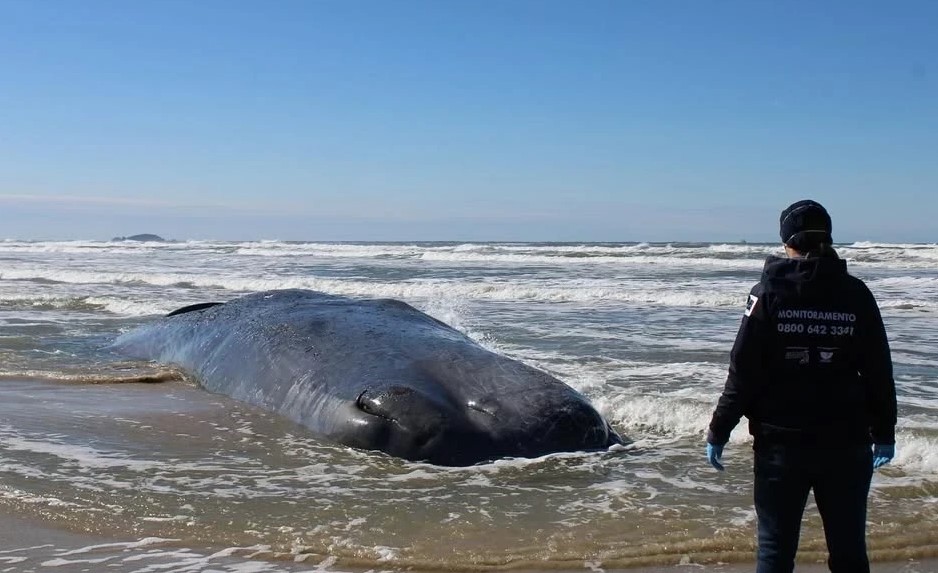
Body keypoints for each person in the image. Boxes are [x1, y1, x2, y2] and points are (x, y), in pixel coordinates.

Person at [705, 200, 897, 573]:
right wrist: (884, 430)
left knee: (776, 552)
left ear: (785, 242)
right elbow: (878, 371)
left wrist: (719, 429)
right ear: (827, 236)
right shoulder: (856, 293)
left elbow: (743, 372)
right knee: (849, 553)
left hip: (782, 447)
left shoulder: (767, 294)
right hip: (846, 445)